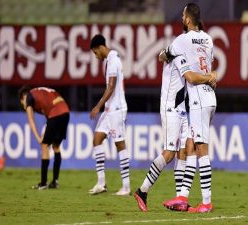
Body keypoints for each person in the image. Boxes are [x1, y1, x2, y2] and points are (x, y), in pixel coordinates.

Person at [133, 46, 217, 211]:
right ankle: (142, 191)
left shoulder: (189, 56)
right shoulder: (178, 52)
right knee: (169, 153)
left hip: (184, 108)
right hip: (170, 107)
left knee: (185, 150)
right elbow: (188, 75)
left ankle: (181, 199)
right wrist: (210, 76)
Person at [160, 3, 217, 213]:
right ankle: (182, 197)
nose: (182, 18)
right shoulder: (209, 39)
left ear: (187, 20)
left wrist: (163, 55)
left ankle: (207, 202)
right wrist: (211, 76)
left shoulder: (182, 40)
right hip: (211, 97)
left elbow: (166, 55)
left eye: (183, 15)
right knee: (191, 145)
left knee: (201, 149)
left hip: (198, 100)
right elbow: (208, 67)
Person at [88, 34, 130, 196]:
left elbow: (111, 87)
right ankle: (101, 183)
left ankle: (126, 187)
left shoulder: (113, 60)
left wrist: (97, 106)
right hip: (109, 109)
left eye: (95, 53)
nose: (95, 56)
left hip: (117, 109)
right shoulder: (110, 60)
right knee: (97, 139)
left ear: (100, 48)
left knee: (120, 145)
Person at [19, 86, 70, 190]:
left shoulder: (29, 96)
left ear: (23, 97)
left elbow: (30, 119)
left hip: (55, 113)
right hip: (65, 112)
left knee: (44, 145)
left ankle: (43, 183)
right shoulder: (41, 93)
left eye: (22, 103)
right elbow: (49, 115)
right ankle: (55, 181)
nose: (24, 106)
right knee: (56, 146)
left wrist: (38, 137)